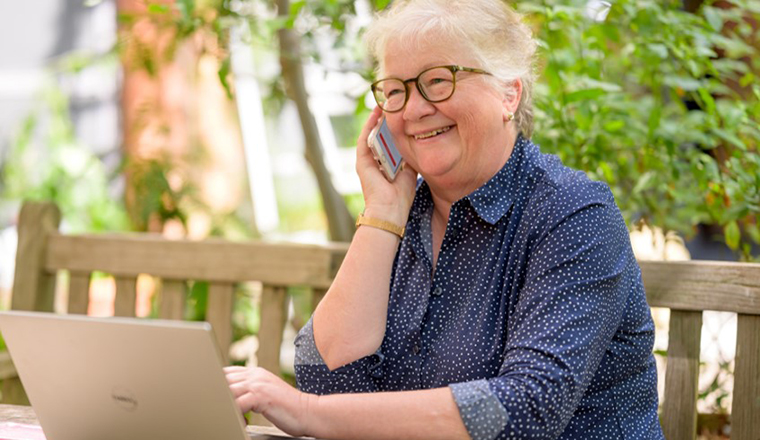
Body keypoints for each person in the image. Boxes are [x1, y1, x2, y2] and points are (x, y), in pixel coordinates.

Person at [225, 0, 665, 438]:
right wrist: (383, 212)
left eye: (437, 81)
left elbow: (528, 406)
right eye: (395, 90)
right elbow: (327, 378)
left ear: (508, 93)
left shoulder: (573, 213)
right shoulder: (402, 217)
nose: (413, 109)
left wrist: (302, 411)